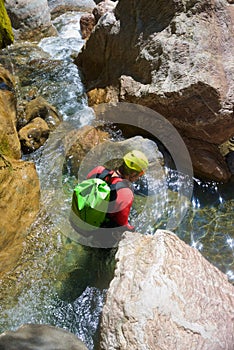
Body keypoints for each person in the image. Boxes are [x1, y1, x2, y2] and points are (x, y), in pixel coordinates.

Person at [86, 149, 149, 231]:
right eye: (140, 174)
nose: (139, 177)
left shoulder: (98, 170)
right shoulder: (126, 194)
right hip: (97, 229)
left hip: (80, 216)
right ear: (133, 174)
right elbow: (122, 224)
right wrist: (132, 229)